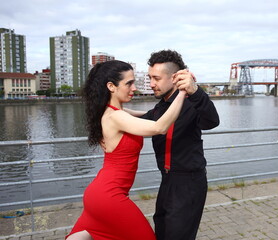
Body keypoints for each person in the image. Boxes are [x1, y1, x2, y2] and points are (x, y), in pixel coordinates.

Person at [66, 60, 187, 240]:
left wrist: (162, 106)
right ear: (111, 86)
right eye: (129, 83)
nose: (134, 88)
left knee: (83, 237)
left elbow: (148, 116)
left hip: (99, 194)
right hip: (110, 196)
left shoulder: (112, 111)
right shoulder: (116, 117)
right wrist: (183, 92)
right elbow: (159, 127)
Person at [141, 50, 220, 240]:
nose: (152, 84)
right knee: (161, 230)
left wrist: (195, 91)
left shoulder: (192, 102)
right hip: (167, 180)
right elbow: (145, 121)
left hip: (189, 182)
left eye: (156, 78)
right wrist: (113, 111)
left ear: (174, 77)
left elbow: (212, 121)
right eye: (150, 78)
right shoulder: (161, 106)